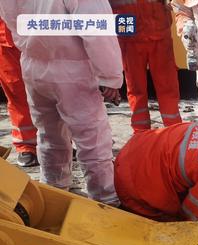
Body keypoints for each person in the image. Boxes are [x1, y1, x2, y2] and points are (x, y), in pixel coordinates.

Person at [0, 1, 123, 206]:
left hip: (34, 68)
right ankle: (106, 199)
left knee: (49, 135)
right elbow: (96, 28)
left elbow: (12, 20)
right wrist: (110, 76)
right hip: (74, 70)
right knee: (92, 139)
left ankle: (53, 190)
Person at [109, 0, 182, 133]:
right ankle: (142, 133)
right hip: (132, 34)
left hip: (154, 34)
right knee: (137, 88)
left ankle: (173, 131)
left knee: (164, 87)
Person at [0, 17, 38, 167]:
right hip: (6, 40)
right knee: (18, 95)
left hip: (40, 37)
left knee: (52, 92)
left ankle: (58, 143)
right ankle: (26, 146)